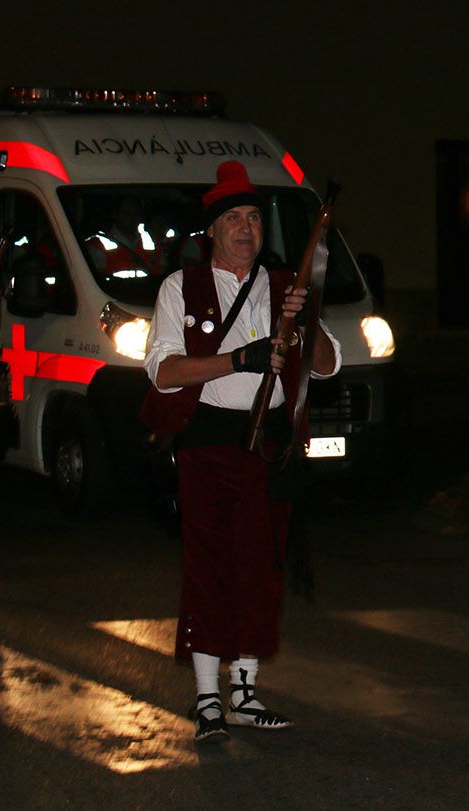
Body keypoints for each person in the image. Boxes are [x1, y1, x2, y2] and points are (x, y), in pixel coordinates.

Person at [142, 161, 340, 744]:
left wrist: (306, 323)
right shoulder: (182, 287)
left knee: (262, 565)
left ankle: (245, 692)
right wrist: (239, 360)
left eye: (254, 217)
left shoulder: (284, 287)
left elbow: (325, 366)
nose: (246, 228)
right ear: (213, 231)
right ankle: (208, 699)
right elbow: (164, 373)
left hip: (270, 445)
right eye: (234, 218)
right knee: (210, 567)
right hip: (208, 441)